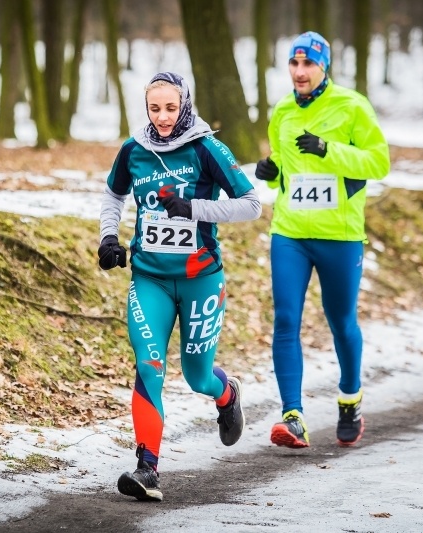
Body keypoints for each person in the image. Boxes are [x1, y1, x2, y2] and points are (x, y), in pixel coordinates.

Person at [99, 72, 261, 501]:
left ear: (184, 103)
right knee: (148, 364)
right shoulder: (134, 150)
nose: (164, 117)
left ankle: (226, 394)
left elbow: (251, 205)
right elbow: (113, 195)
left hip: (200, 280)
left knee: (196, 375)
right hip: (149, 278)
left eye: (171, 108)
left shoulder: (207, 147)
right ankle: (147, 468)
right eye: (155, 108)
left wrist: (194, 208)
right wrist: (109, 237)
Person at [254, 31, 390, 448]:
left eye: (307, 64)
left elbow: (378, 162)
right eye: (293, 64)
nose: (299, 72)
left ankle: (350, 398)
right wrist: (271, 171)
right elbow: (285, 164)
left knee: (341, 322)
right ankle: (292, 416)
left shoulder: (352, 106)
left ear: (323, 67)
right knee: (285, 320)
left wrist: (328, 149)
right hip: (291, 233)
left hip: (340, 236)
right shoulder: (282, 111)